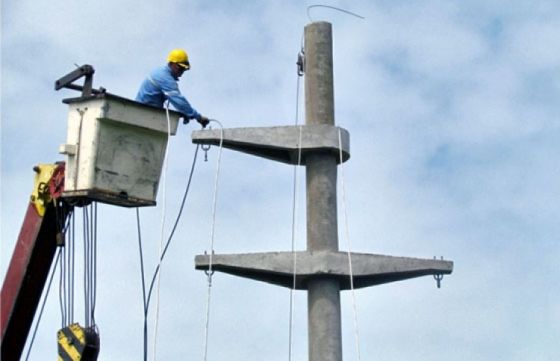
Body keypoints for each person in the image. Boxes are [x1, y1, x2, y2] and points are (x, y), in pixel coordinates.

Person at [136, 48, 209, 127]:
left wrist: (185, 112)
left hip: (147, 111)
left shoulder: (161, 72)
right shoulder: (165, 77)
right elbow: (178, 100)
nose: (182, 71)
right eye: (180, 68)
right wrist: (198, 117)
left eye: (184, 69)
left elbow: (178, 102)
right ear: (172, 63)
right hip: (144, 112)